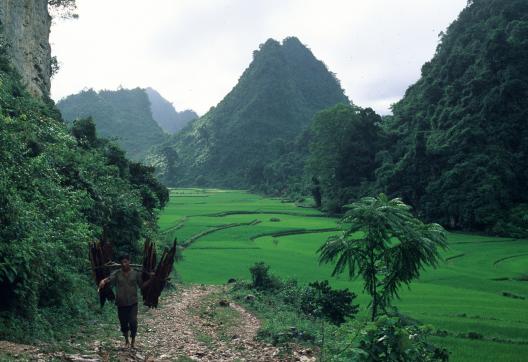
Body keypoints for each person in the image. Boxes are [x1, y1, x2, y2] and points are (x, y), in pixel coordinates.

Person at [99, 254, 149, 348]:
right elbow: (109, 278)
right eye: (122, 262)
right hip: (121, 303)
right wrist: (103, 281)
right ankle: (126, 341)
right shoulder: (117, 273)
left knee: (133, 322)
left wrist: (152, 279)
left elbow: (142, 286)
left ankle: (133, 340)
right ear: (120, 263)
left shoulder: (135, 273)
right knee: (123, 323)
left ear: (129, 262)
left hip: (133, 303)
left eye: (126, 262)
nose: (124, 264)